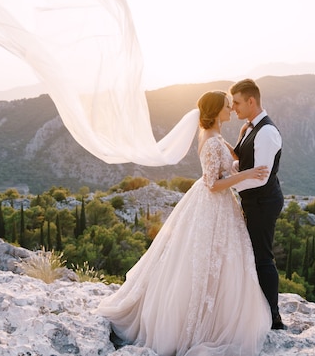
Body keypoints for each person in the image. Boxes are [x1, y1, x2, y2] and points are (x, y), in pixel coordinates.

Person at [96, 91, 272, 356]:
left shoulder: (215, 136)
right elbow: (213, 184)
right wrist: (246, 174)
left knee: (216, 263)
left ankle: (213, 316)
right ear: (216, 112)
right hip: (212, 205)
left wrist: (241, 149)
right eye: (227, 106)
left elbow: (225, 165)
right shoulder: (212, 141)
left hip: (216, 206)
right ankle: (199, 324)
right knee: (204, 263)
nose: (230, 110)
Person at [229, 78, 286, 330]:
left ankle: (273, 317)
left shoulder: (267, 132)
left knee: (263, 257)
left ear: (251, 101)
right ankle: (257, 308)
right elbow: (245, 164)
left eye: (237, 103)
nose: (234, 108)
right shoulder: (248, 127)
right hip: (252, 200)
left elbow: (261, 178)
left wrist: (227, 185)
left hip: (264, 201)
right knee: (251, 254)